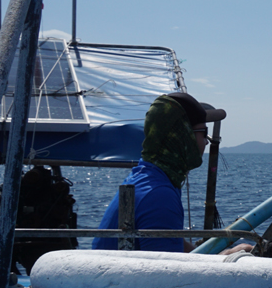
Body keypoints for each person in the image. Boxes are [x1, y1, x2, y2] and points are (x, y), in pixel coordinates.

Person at [93, 92, 249, 255]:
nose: (206, 141)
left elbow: (173, 244)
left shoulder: (147, 178)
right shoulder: (159, 196)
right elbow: (168, 275)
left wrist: (221, 257)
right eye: (203, 132)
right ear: (183, 136)